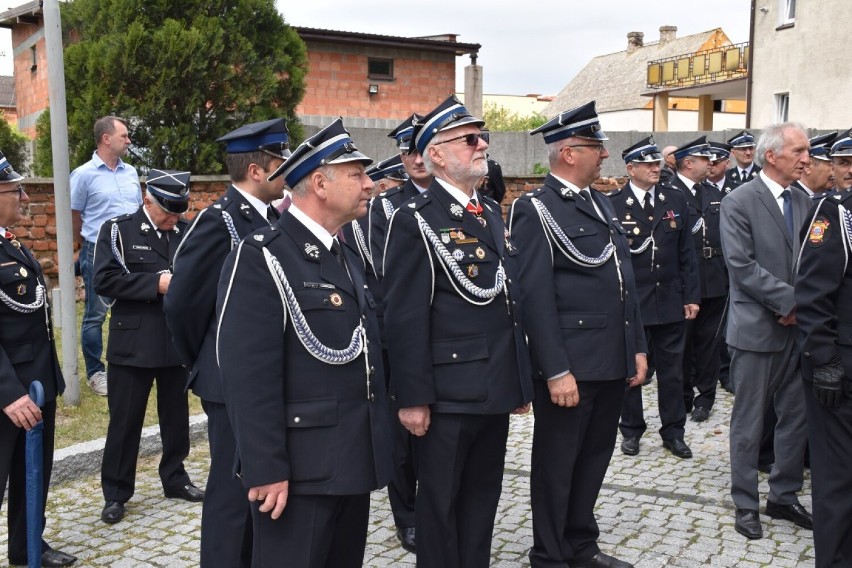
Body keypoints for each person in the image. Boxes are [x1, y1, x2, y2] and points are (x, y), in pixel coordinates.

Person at [216, 119, 392, 568]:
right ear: (319, 183)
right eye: (356, 174)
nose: (369, 185)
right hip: (298, 471)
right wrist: (266, 466)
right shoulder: (262, 255)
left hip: (350, 459)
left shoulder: (344, 252)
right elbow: (245, 373)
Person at [382, 95, 534, 568]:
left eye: (481, 136)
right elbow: (404, 316)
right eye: (469, 139)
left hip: (493, 386)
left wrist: (519, 378)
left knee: (481, 499)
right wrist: (412, 398)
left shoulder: (487, 212)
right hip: (447, 392)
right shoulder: (415, 219)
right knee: (441, 505)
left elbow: (506, 303)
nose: (481, 144)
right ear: (439, 154)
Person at [509, 101, 646, 568]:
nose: (605, 154)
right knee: (557, 464)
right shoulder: (536, 209)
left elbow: (625, 282)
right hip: (572, 364)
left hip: (610, 357)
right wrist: (556, 369)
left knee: (592, 460)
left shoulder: (600, 202)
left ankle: (581, 544)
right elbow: (534, 297)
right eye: (595, 146)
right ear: (569, 152)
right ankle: (549, 553)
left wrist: (638, 347)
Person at [163, 118, 290, 568]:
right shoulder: (218, 222)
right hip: (227, 381)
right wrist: (207, 359)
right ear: (257, 170)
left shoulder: (276, 219)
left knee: (259, 492)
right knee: (232, 495)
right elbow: (182, 303)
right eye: (281, 159)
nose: (288, 167)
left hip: (263, 376)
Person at [93, 169, 204, 525]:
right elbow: (105, 280)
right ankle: (116, 492)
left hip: (175, 341)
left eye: (178, 212)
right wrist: (156, 284)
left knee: (177, 419)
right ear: (147, 200)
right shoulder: (118, 231)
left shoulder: (186, 232)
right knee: (125, 422)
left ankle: (175, 477)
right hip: (134, 342)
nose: (174, 219)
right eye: (168, 212)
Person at [720, 122, 812, 540]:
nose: (807, 159)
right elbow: (741, 266)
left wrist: (807, 306)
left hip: (801, 330)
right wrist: (791, 302)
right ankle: (745, 503)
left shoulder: (805, 201)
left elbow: (812, 260)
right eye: (799, 151)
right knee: (750, 420)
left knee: (796, 416)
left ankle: (783, 494)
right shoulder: (738, 201)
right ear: (772, 155)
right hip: (758, 329)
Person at [0, 150, 77, 567]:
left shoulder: (9, 243)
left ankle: (27, 545)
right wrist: (9, 393)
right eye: (16, 190)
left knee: (33, 475)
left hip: (35, 385)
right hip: (9, 392)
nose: (26, 198)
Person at [611, 136, 700, 459]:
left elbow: (687, 254)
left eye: (656, 163)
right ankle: (631, 430)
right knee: (634, 372)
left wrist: (692, 296)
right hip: (634, 305)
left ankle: (674, 432)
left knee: (673, 372)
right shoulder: (614, 204)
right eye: (647, 164)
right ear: (630, 168)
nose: (655, 168)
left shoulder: (674, 200)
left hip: (671, 302)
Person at [366, 114, 428, 554]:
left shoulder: (467, 200)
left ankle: (438, 508)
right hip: (400, 334)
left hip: (446, 339)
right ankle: (407, 516)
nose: (415, 158)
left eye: (421, 149)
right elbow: (385, 275)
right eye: (407, 152)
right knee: (404, 437)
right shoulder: (386, 207)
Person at [795, 129, 852, 568]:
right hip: (842, 367)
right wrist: (825, 362)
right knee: (836, 479)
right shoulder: (833, 216)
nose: (850, 171)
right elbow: (812, 296)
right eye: (844, 162)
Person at [70, 116, 143, 396]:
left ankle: (129, 363)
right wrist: (80, 244)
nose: (129, 141)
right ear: (106, 139)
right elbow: (74, 215)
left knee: (131, 306)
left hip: (131, 248)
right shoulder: (83, 174)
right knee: (95, 313)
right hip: (97, 249)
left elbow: (138, 211)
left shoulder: (131, 172)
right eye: (124, 136)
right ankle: (95, 373)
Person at [665, 137, 728, 422]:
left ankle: (706, 397)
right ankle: (683, 398)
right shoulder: (668, 193)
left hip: (714, 278)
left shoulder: (713, 193)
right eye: (705, 160)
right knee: (683, 345)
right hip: (683, 283)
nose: (711, 164)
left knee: (709, 343)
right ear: (689, 163)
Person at [792, 131, 838, 199]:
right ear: (808, 167)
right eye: (830, 165)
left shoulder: (832, 197)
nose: (835, 171)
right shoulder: (790, 196)